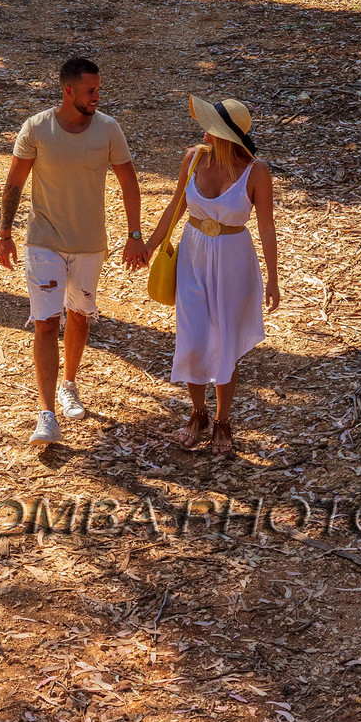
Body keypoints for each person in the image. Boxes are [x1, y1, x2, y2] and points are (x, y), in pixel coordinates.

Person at [0, 54, 148, 445]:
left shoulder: (109, 130)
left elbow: (129, 182)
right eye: (90, 90)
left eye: (98, 89)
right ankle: (46, 414)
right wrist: (4, 233)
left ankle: (69, 384)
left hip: (88, 245)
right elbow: (14, 182)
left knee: (79, 317)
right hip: (43, 241)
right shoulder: (37, 128)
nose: (97, 96)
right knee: (46, 323)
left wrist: (135, 235)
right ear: (68, 91)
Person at [143, 92, 280, 459]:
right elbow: (175, 206)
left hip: (234, 259)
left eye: (211, 128)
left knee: (224, 339)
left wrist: (273, 278)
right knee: (193, 334)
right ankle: (198, 413)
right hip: (193, 252)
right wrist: (149, 245)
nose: (204, 132)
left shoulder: (256, 172)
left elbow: (266, 228)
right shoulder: (193, 158)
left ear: (225, 136)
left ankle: (222, 420)